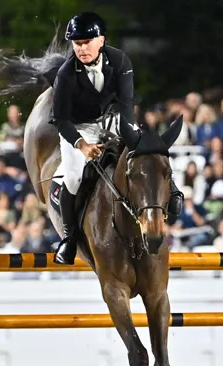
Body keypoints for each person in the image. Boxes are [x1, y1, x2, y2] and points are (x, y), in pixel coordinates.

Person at [50, 12, 181, 264]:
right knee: (74, 176)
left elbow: (126, 102)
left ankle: (172, 192)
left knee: (145, 154)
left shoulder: (120, 60)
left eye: (87, 41)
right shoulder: (66, 74)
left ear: (101, 40)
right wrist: (82, 145)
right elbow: (61, 120)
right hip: (78, 128)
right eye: (77, 43)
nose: (82, 48)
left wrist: (130, 132)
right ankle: (68, 237)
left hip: (113, 120)